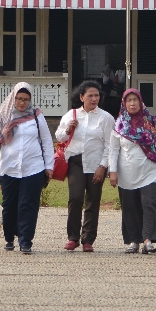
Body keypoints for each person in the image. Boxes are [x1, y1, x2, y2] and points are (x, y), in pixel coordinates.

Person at [0, 82, 54, 255]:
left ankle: (26, 241)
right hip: (9, 168)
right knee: (9, 205)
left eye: (26, 99)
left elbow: (46, 141)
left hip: (33, 168)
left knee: (28, 205)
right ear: (13, 98)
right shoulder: (2, 117)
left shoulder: (36, 116)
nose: (22, 103)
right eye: (19, 99)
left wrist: (49, 166)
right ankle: (9, 237)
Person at [109, 89, 156, 254]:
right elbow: (113, 150)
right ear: (124, 103)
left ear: (140, 101)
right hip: (126, 172)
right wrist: (113, 171)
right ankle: (133, 241)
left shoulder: (151, 121)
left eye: (135, 100)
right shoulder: (119, 124)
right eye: (129, 100)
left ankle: (148, 240)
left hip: (149, 170)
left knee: (150, 204)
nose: (132, 103)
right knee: (130, 207)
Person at [56, 80, 114, 251]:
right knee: (75, 197)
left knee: (93, 200)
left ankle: (88, 239)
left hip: (97, 163)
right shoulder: (71, 115)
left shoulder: (105, 118)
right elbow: (59, 137)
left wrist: (103, 166)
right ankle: (73, 237)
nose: (94, 99)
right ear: (81, 97)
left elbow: (109, 145)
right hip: (76, 162)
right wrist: (67, 130)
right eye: (90, 95)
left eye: (97, 95)